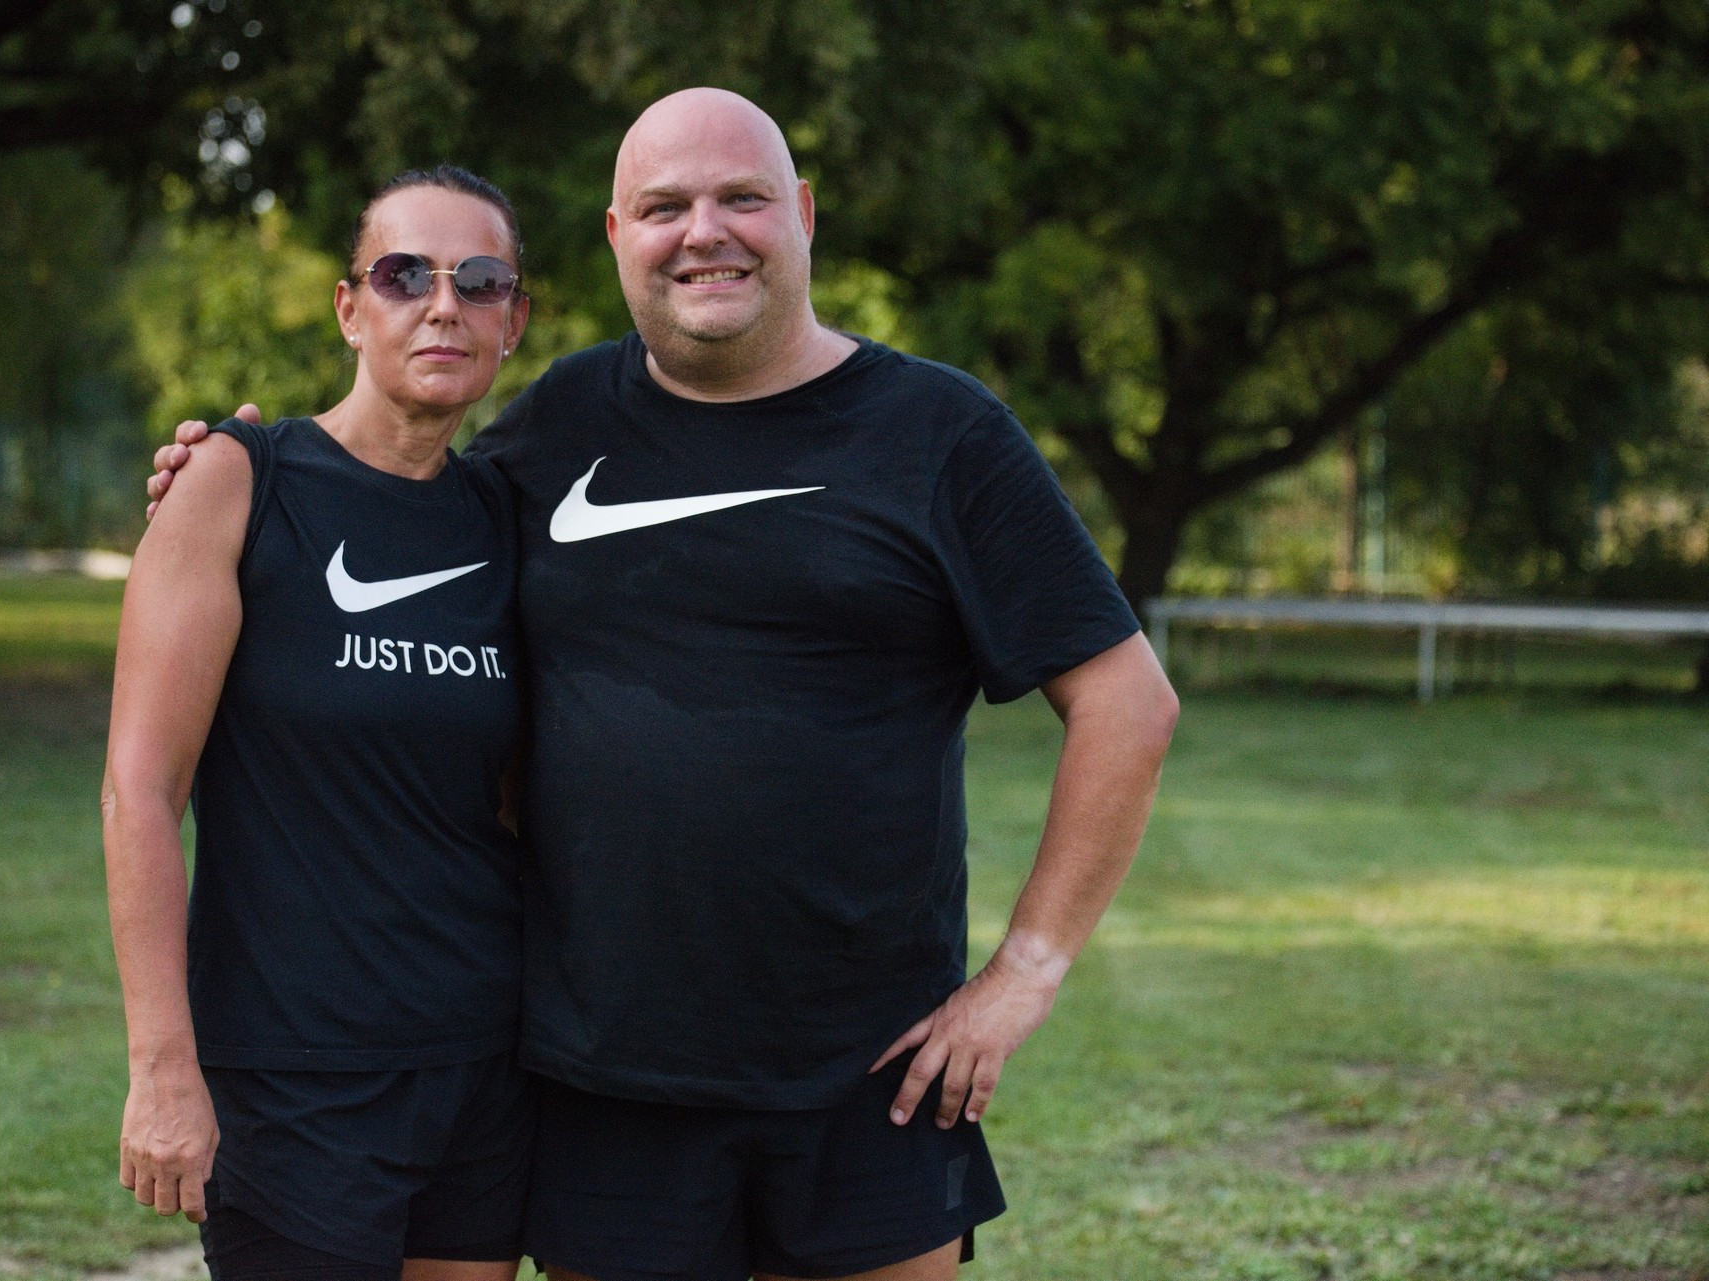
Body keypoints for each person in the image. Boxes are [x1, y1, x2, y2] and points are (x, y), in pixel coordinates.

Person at [149, 88, 1179, 1281]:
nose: (705, 232)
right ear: (616, 237)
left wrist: (1023, 976)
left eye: (743, 198)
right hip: (604, 1082)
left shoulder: (941, 433)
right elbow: (395, 500)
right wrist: (226, 479)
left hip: (873, 1074)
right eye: (663, 207)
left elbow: (1127, 703)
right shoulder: (560, 423)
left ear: (802, 215)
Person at [103, 165, 536, 1281]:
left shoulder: (511, 519)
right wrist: (162, 1065)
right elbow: (140, 789)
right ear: (350, 308)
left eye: (480, 280)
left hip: (482, 1065)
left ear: (514, 321)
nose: (443, 305)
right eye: (404, 276)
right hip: (292, 1075)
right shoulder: (238, 484)